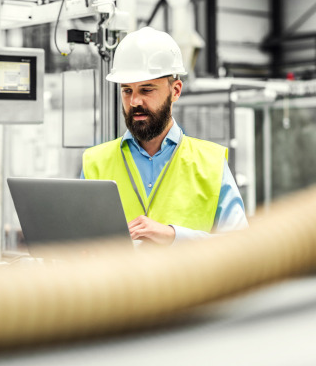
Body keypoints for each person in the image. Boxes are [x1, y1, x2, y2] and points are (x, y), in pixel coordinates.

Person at [81, 27, 248, 246]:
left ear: (176, 91)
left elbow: (241, 247)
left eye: (146, 90)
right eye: (127, 91)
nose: (134, 102)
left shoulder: (211, 163)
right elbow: (78, 242)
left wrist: (174, 236)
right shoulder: (95, 163)